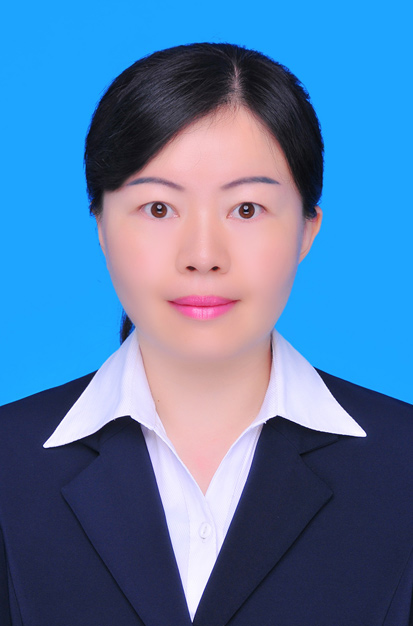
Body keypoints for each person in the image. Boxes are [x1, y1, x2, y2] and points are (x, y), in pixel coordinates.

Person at [0, 43, 412, 626]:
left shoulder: (403, 464)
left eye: (246, 209)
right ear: (101, 226)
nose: (202, 255)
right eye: (158, 209)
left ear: (306, 230)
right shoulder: (8, 462)